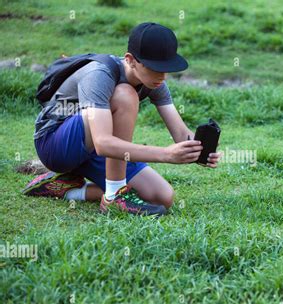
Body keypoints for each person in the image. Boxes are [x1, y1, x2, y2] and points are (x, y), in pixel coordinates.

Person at [22, 22, 221, 216]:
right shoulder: (100, 75)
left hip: (93, 150)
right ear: (130, 60)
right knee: (125, 95)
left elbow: (180, 134)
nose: (162, 75)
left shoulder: (155, 81)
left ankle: (64, 189)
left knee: (162, 197)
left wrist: (198, 151)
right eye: (155, 67)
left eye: (166, 68)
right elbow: (102, 144)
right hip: (56, 145)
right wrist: (166, 154)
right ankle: (113, 197)